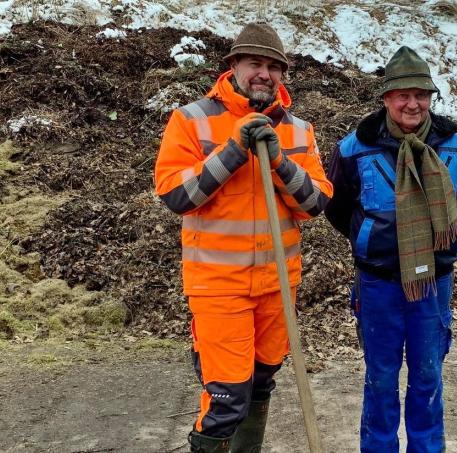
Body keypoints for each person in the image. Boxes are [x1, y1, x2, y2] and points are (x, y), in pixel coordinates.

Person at [154, 22, 333, 453]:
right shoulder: (191, 120)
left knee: (261, 382)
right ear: (233, 66)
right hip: (219, 288)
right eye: (255, 63)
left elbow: (315, 203)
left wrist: (279, 164)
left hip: (277, 287)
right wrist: (234, 149)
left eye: (274, 67)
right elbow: (178, 195)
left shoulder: (297, 130)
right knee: (226, 398)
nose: (264, 74)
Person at [325, 46, 457, 453]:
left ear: (430, 98)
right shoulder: (354, 149)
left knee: (428, 376)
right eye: (403, 95)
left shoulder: (456, 148)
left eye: (421, 95)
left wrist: (433, 245)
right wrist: (371, 237)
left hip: (433, 284)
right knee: (381, 376)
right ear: (387, 98)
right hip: (378, 284)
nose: (413, 103)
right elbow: (336, 206)